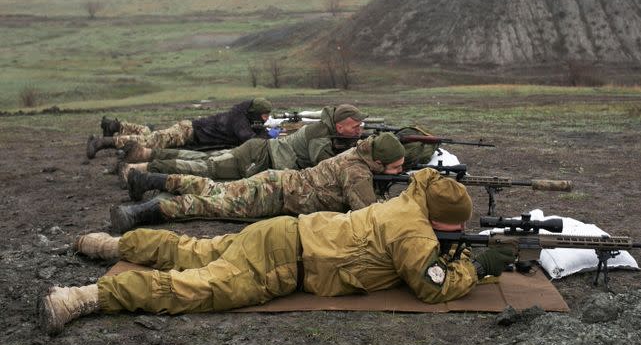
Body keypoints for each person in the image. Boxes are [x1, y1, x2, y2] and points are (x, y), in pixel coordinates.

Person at [39, 169, 517, 335]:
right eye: (455, 228)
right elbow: (430, 286)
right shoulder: (414, 234)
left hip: (281, 233)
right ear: (439, 220)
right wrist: (476, 268)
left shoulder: (408, 199)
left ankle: (105, 244)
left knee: (193, 249)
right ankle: (82, 297)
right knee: (193, 287)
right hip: (285, 264)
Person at [113, 133, 406, 232]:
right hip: (274, 196)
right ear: (378, 162)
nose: (399, 171)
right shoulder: (358, 172)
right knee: (214, 204)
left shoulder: (359, 151)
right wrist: (393, 202)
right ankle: (141, 213)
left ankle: (146, 178)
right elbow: (367, 213)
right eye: (396, 167)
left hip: (276, 180)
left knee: (212, 187)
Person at [116, 104, 367, 182]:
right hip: (257, 158)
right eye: (355, 127)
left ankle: (146, 154)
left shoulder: (327, 131)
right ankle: (141, 169)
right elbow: (324, 164)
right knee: (207, 168)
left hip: (258, 154)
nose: (358, 131)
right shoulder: (319, 133)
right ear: (341, 125)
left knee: (202, 160)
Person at [86, 98, 274, 159]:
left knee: (149, 139)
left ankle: (115, 127)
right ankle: (102, 142)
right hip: (188, 132)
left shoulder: (247, 117)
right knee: (149, 140)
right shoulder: (239, 118)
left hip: (193, 138)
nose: (265, 120)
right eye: (263, 116)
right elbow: (249, 139)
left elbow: (256, 132)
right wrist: (270, 138)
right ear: (255, 113)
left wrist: (268, 135)